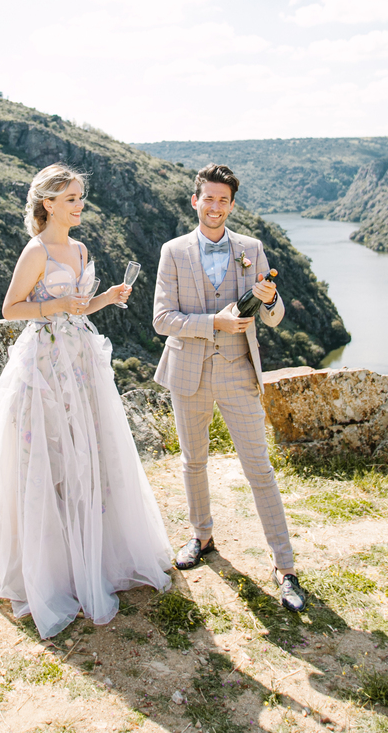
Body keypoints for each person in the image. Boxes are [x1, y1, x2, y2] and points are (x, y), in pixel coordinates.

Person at [0, 163, 171, 638]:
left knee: (88, 453)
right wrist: (56, 306)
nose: (80, 205)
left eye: (80, 197)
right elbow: (11, 309)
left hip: (81, 360)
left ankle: (90, 555)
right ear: (48, 203)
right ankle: (52, 566)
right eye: (71, 198)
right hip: (44, 363)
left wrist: (107, 296)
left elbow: (81, 305)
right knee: (48, 455)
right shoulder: (36, 250)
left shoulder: (81, 248)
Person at [152, 163, 307, 612]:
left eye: (224, 200)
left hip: (239, 372)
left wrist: (270, 300)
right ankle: (202, 536)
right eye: (208, 198)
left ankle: (285, 566)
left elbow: (274, 318)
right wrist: (212, 323)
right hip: (188, 372)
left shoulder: (252, 249)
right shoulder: (173, 251)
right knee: (193, 462)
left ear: (232, 205)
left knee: (259, 468)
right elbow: (162, 320)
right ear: (195, 200)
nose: (215, 206)